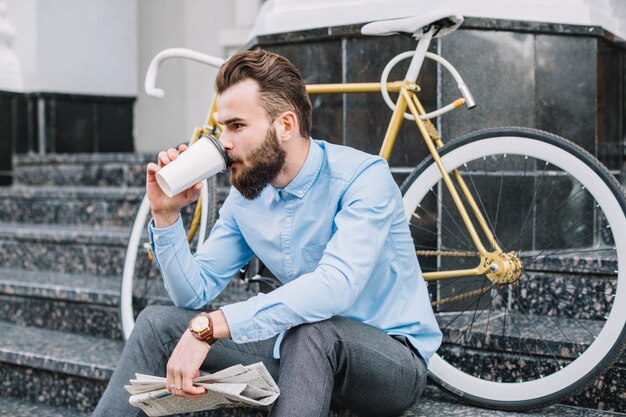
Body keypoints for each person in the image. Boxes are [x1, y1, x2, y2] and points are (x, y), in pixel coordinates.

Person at [92, 50, 442, 417]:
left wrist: (213, 326)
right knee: (156, 324)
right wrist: (166, 215)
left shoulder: (363, 176)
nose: (224, 142)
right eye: (221, 126)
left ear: (285, 125)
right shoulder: (247, 199)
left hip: (390, 362)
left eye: (237, 126)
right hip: (296, 352)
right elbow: (193, 292)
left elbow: (335, 286)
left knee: (313, 332)